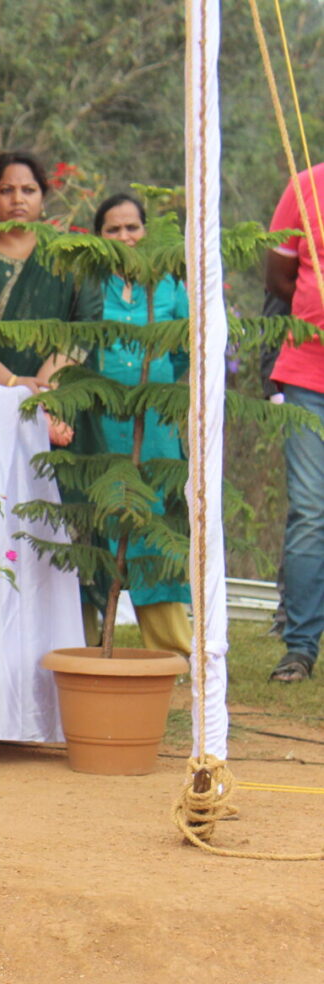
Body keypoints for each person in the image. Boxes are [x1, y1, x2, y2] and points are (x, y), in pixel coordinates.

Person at [85, 193, 192, 655]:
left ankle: (170, 649)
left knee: (154, 530)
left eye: (133, 227)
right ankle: (88, 643)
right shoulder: (89, 285)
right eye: (114, 229)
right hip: (100, 429)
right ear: (99, 236)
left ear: (146, 231)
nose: (125, 237)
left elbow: (183, 349)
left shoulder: (169, 284)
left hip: (155, 432)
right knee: (94, 529)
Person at [0, 150, 102, 444]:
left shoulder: (73, 256)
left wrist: (43, 389)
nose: (18, 199)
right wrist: (11, 384)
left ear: (43, 196)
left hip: (60, 403)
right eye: (6, 190)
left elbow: (86, 326)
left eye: (28, 190)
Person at [265, 161, 324, 681]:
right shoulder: (305, 187)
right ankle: (300, 647)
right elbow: (280, 279)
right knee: (309, 509)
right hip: (308, 376)